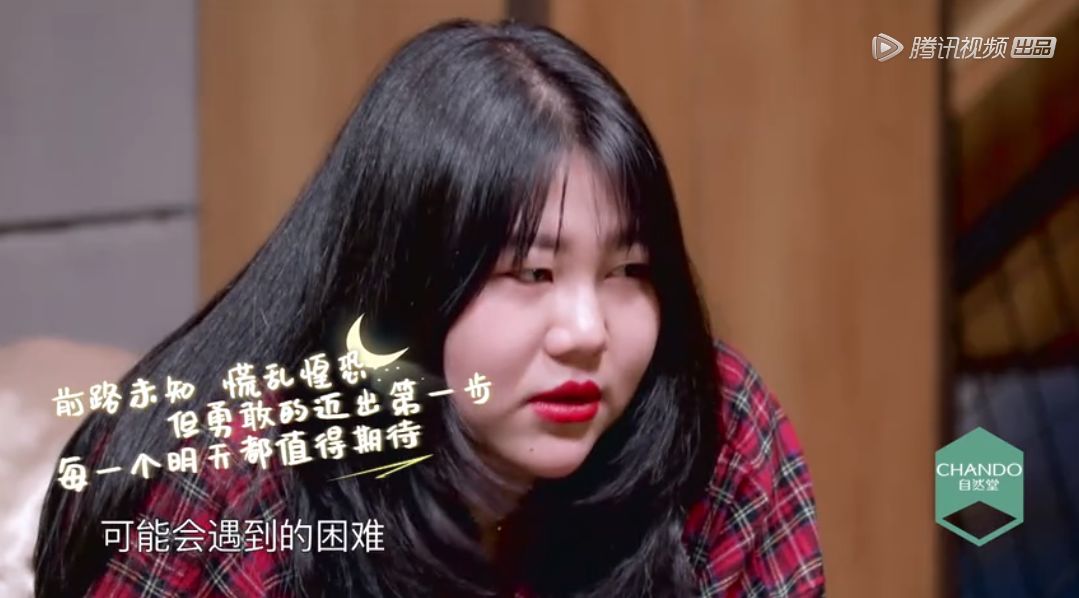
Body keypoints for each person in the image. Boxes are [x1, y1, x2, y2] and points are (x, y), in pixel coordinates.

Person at [34, 19, 824, 597]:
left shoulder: (712, 429)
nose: (588, 334)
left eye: (628, 271)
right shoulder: (229, 479)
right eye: (532, 274)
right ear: (405, 288)